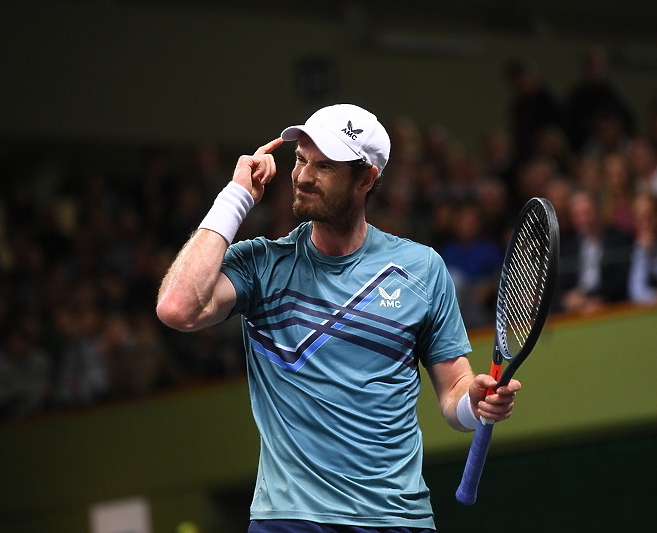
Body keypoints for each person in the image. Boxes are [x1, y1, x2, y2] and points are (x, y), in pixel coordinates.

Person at [156, 104, 521, 532]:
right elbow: (177, 308)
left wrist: (473, 403)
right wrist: (234, 197)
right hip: (289, 521)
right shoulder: (260, 264)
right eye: (300, 159)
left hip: (395, 519)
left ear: (366, 178)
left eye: (324, 165)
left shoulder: (422, 269)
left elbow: (453, 395)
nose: (303, 176)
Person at [557, 189, 633, 315]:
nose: (584, 220)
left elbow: (622, 278)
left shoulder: (619, 239)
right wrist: (567, 298)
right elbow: (561, 283)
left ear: (598, 210)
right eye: (578, 215)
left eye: (587, 213)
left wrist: (598, 298)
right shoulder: (567, 246)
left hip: (612, 307)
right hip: (576, 310)